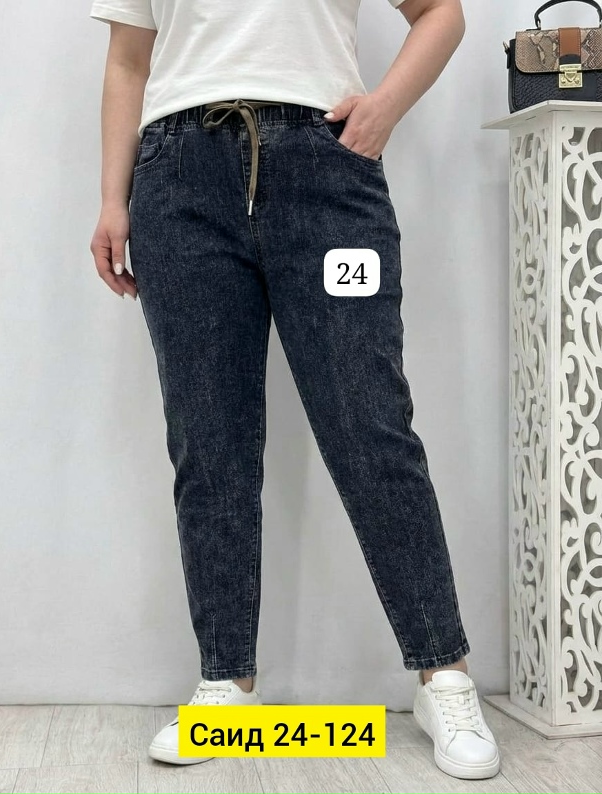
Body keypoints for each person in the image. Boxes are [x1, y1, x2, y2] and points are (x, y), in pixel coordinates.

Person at [89, 0, 500, 780]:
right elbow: (128, 61)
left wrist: (383, 108)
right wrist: (113, 200)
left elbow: (440, 13)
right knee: (208, 442)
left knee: (371, 426)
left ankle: (443, 675)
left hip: (326, 171)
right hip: (178, 183)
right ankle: (226, 685)